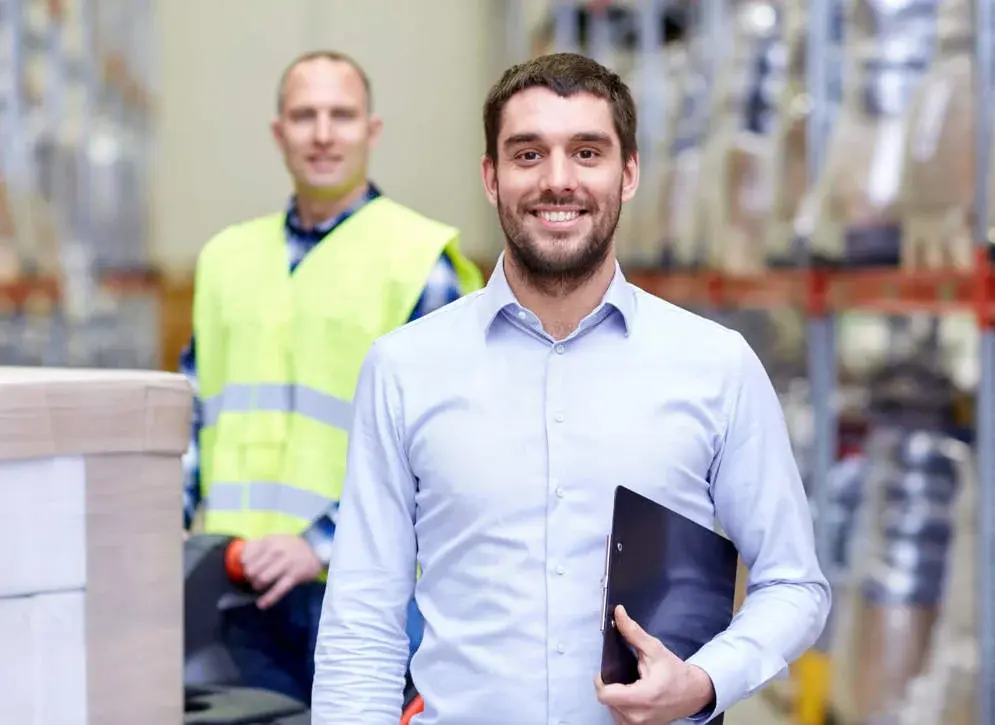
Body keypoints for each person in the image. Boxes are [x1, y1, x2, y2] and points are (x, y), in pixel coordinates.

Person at [312, 52, 830, 724]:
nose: (558, 181)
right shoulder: (405, 368)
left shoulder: (714, 366)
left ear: (630, 172)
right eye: (527, 155)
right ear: (490, 178)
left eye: (587, 152)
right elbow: (362, 618)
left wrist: (703, 680)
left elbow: (792, 582)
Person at [179, 49, 483, 706]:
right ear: (277, 131)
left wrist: (317, 544)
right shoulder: (226, 258)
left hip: (363, 599)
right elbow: (192, 417)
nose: (322, 133)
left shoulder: (417, 261)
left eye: (340, 116)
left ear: (370, 130)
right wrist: (165, 533)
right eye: (304, 115)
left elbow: (443, 455)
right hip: (232, 591)